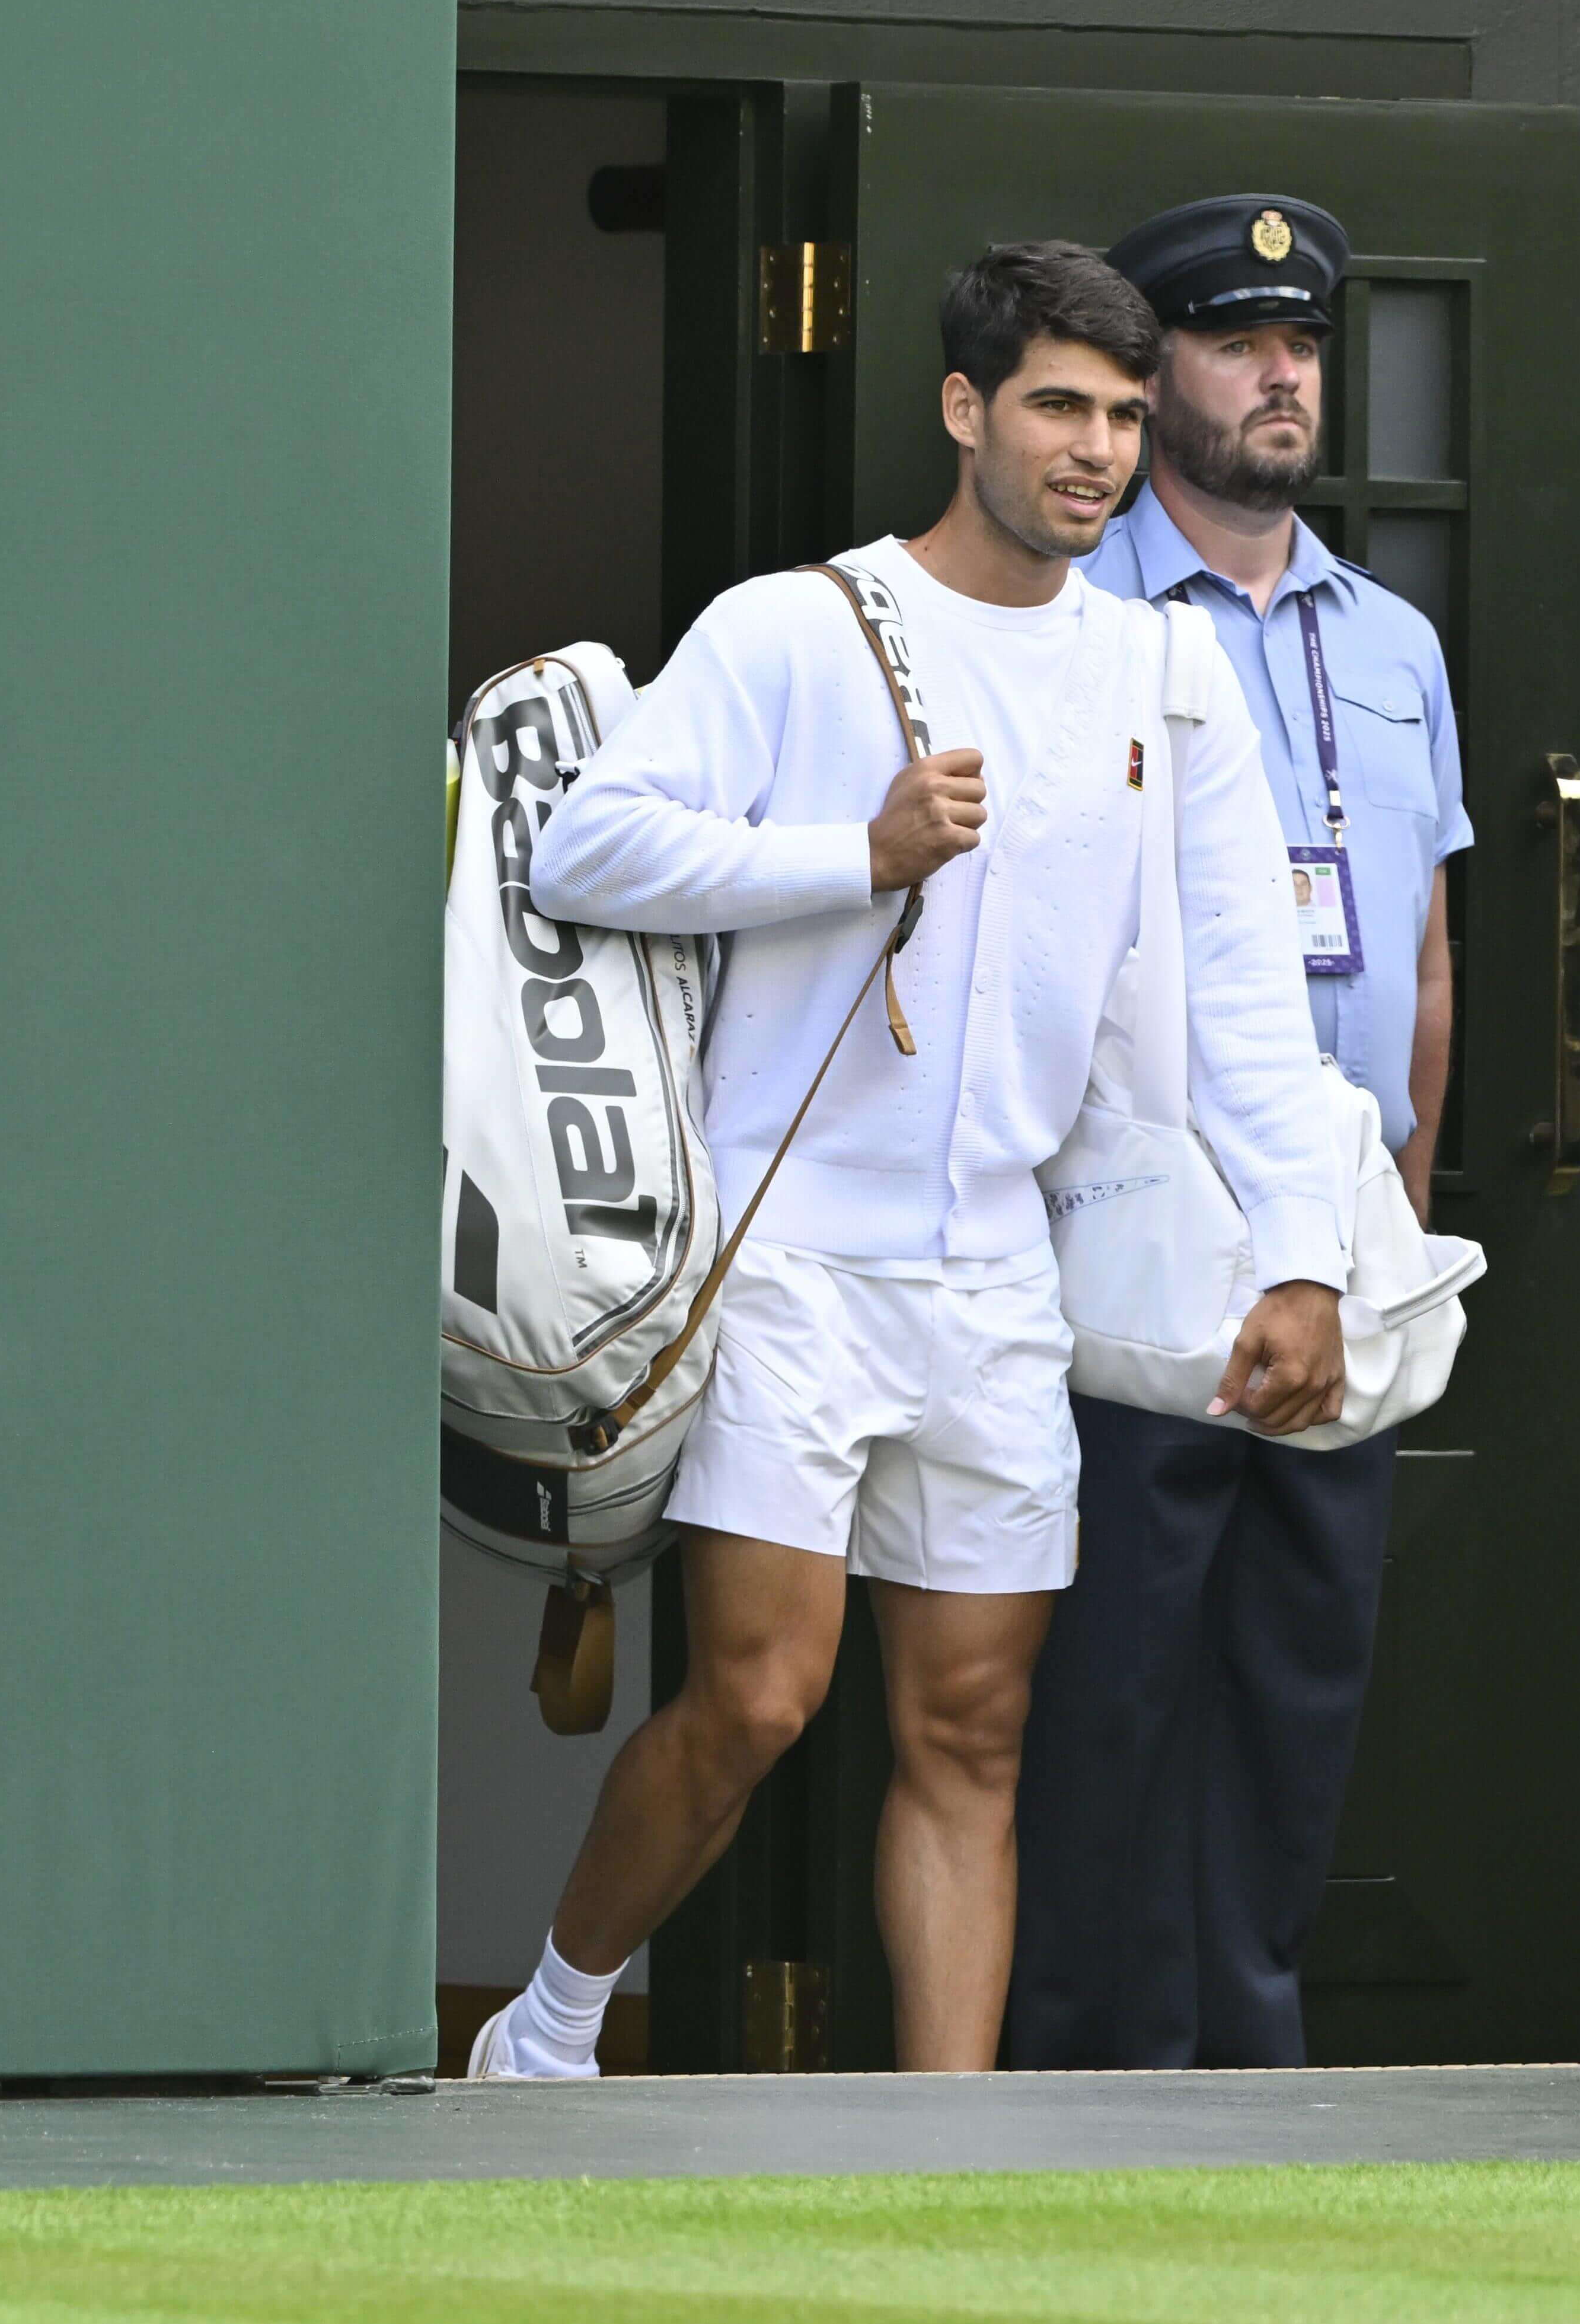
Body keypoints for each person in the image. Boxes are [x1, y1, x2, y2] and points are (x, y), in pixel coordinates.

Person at [467, 246, 1352, 2080]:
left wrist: (1305, 1253)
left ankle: (942, 2148)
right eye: (1057, 407)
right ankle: (548, 2033)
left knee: (973, 1735)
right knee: (762, 1700)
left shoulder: (1165, 670)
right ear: (966, 412)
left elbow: (1245, 990)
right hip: (787, 1252)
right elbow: (589, 851)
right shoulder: (796, 627)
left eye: (1120, 414)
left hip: (994, 1276)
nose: (1096, 450)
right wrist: (849, 853)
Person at [1007, 196, 1470, 2069]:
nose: (1281, 376)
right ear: (1148, 379)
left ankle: (1256, 2079)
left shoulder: (1396, 637)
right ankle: (1093, 2080)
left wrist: (1389, 1241)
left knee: (1297, 1687)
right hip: (1129, 1243)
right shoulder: (1070, 613)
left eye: (1304, 343)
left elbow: (1429, 955)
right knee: (1110, 1690)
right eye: (1230, 343)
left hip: (1330, 1243)